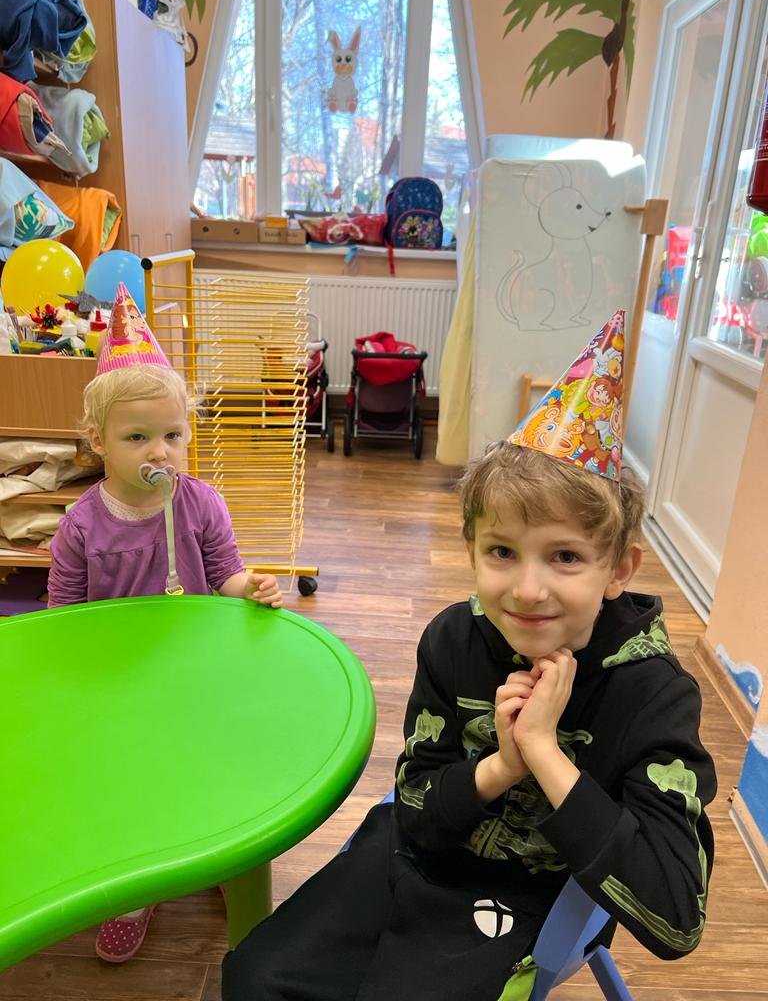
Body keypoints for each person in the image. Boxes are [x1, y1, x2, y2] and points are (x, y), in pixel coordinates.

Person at [221, 309, 716, 1001]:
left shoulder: (654, 694)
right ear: (472, 551)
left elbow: (676, 919)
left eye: (566, 557)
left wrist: (542, 753)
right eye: (502, 552)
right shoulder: (454, 640)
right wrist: (500, 766)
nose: (528, 590)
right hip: (419, 849)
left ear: (618, 569)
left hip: (529, 894)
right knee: (255, 976)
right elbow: (414, 806)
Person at [47, 283, 283, 962]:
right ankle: (136, 887)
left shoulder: (202, 504)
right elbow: (63, 617)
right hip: (121, 682)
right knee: (131, 781)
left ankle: (217, 857)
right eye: (138, 437)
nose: (161, 451)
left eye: (173, 435)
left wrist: (250, 588)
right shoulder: (80, 527)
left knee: (206, 765)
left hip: (196, 671)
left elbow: (225, 571)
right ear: (98, 441)